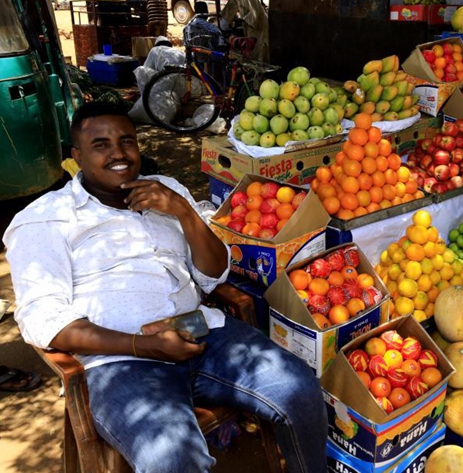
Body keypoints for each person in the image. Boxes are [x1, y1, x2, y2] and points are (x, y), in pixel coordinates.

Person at [3, 102, 326, 473]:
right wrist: (143, 345)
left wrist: (185, 213)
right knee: (171, 459)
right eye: (101, 145)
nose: (118, 153)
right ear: (77, 156)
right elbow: (43, 321)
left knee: (299, 389)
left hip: (199, 330)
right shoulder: (47, 219)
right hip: (122, 359)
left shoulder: (167, 191)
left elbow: (214, 273)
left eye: (127, 141)